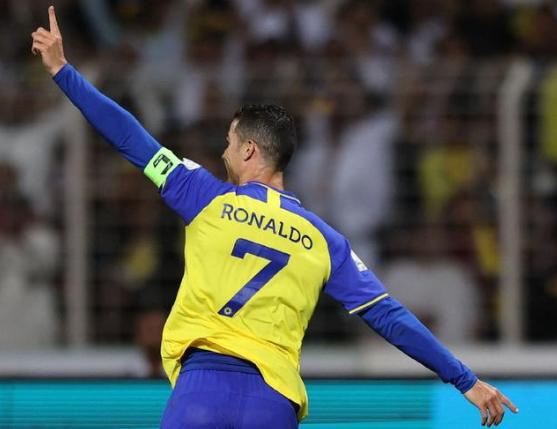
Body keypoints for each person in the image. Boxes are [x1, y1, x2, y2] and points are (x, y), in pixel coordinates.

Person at [31, 6, 518, 428]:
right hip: (272, 398)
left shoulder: (202, 195)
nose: (223, 151)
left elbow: (131, 138)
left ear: (248, 150)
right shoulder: (326, 241)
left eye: (228, 142)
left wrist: (63, 72)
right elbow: (389, 316)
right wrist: (465, 379)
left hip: (202, 388)